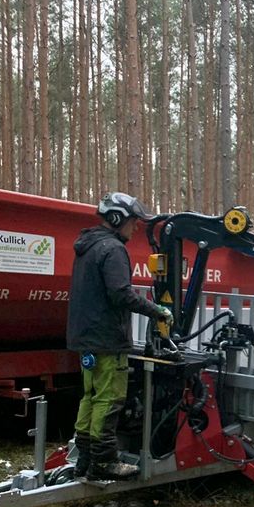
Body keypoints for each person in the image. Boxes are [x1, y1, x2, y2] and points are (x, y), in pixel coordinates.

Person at [67, 192, 173, 481]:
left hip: (86, 339)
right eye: (133, 221)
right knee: (110, 399)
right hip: (106, 339)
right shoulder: (112, 249)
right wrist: (157, 311)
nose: (136, 227)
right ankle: (104, 461)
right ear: (117, 219)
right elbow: (120, 294)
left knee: (90, 397)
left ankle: (86, 458)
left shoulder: (87, 246)